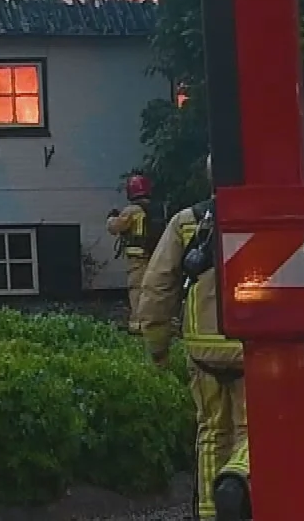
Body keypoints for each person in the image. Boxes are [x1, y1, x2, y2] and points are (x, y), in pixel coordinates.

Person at [139, 160, 250, 521]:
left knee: (211, 431)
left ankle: (209, 513)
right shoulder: (266, 216)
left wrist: (157, 346)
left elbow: (157, 287)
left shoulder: (188, 221)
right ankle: (240, 479)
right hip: (255, 348)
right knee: (255, 429)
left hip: (203, 350)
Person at [105, 173, 156, 334]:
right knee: (152, 290)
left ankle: (138, 324)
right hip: (154, 256)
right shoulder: (154, 210)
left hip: (137, 259)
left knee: (136, 290)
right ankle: (154, 321)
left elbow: (115, 227)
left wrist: (111, 218)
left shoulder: (132, 210)